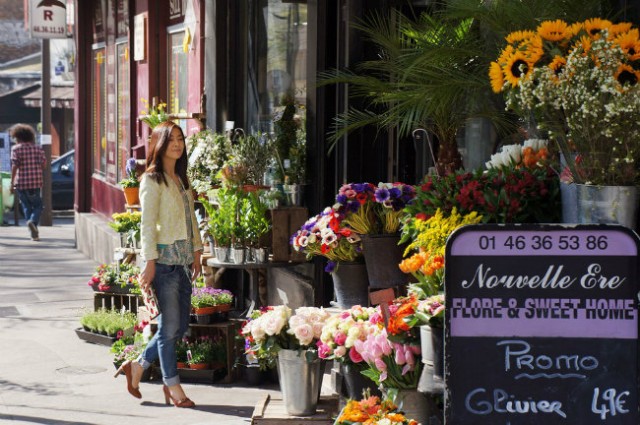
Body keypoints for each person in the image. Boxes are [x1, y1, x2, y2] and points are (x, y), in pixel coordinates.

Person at [114, 121, 203, 408]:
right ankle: (173, 387)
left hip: (185, 262)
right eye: (172, 139)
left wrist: (198, 253)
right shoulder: (151, 180)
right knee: (169, 330)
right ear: (159, 144)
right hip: (164, 263)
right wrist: (149, 263)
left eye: (181, 139)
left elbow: (191, 220)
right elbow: (147, 226)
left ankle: (137, 367)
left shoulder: (181, 178)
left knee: (176, 328)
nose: (178, 144)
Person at [9, 124, 45, 241]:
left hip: (21, 183)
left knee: (26, 206)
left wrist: (12, 182)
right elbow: (44, 164)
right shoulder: (38, 148)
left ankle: (33, 231)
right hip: (35, 182)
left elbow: (15, 166)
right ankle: (33, 222)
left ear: (18, 137)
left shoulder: (16, 149)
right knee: (38, 205)